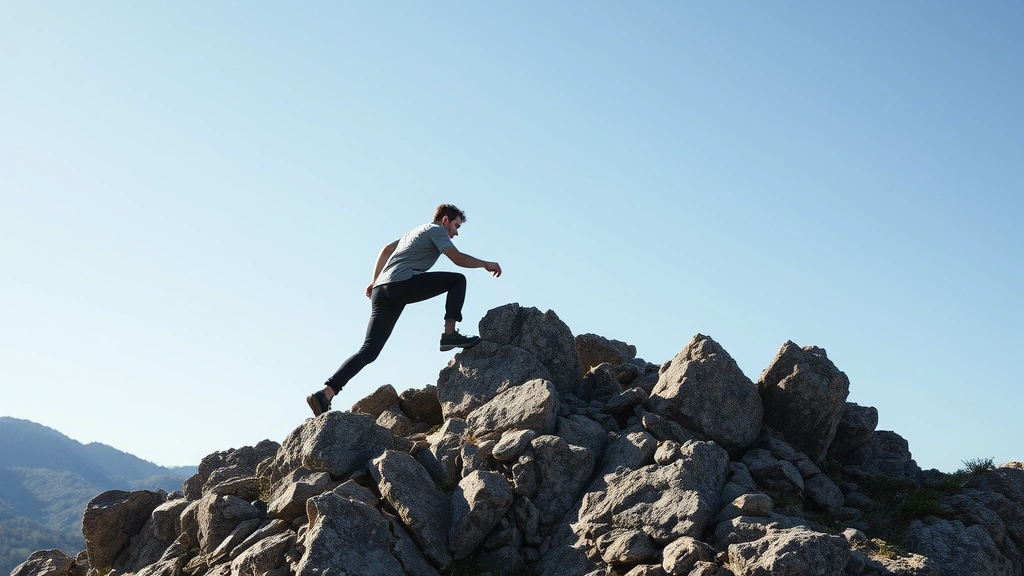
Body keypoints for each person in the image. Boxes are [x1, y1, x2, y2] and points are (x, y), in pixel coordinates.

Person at [306, 204, 502, 416]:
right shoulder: (436, 230)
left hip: (382, 290)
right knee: (457, 280)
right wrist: (485, 264)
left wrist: (374, 282)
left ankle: (325, 394)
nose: (456, 232)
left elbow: (386, 250)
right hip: (400, 284)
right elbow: (457, 258)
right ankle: (449, 334)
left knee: (369, 350)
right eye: (456, 226)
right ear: (445, 220)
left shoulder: (414, 232)